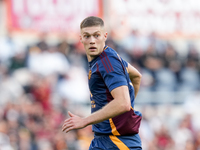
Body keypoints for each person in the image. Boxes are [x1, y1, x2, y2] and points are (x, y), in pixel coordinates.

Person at [62, 16, 142, 150]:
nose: (92, 41)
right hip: (103, 139)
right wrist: (128, 106)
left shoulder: (107, 62)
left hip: (118, 142)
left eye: (96, 35)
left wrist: (84, 121)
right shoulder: (107, 56)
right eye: (87, 36)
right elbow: (137, 76)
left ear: (105, 36)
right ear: (81, 38)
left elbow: (123, 103)